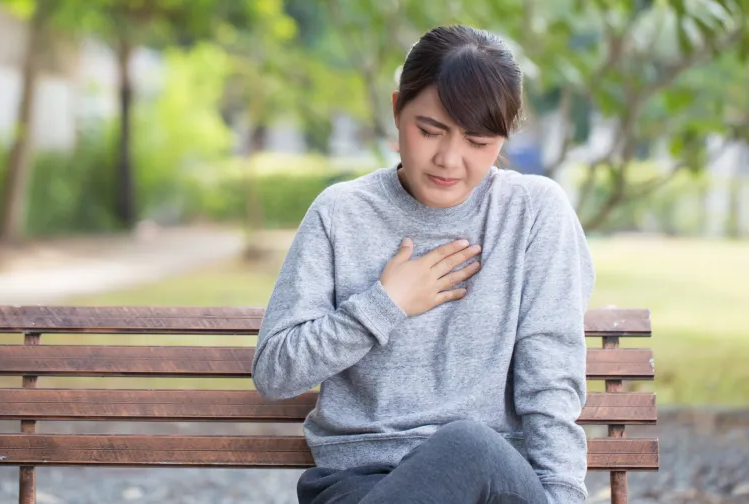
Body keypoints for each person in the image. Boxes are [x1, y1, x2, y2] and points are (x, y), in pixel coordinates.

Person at [251, 25, 595, 504]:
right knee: (464, 445)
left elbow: (550, 383)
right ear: (396, 110)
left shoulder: (534, 212)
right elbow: (274, 372)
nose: (449, 159)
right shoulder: (342, 213)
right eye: (430, 131)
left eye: (478, 142)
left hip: (492, 486)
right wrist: (383, 304)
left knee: (468, 445)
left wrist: (560, 496)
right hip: (360, 484)